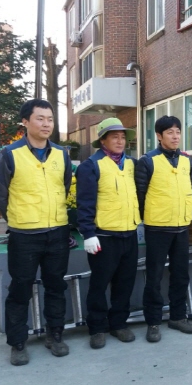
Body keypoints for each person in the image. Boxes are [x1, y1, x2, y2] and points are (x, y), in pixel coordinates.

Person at [0, 99, 72, 364]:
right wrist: (19, 216)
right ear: (25, 122)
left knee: (56, 286)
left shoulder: (61, 154)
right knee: (20, 288)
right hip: (24, 236)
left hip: (57, 232)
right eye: (40, 118)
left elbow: (64, 187)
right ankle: (17, 343)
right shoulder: (9, 154)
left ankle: (55, 335)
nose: (46, 124)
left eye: (50, 119)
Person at [76, 118, 140, 348]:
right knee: (99, 284)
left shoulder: (131, 164)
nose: (120, 141)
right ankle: (97, 328)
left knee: (125, 283)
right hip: (104, 236)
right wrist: (88, 233)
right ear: (102, 140)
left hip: (129, 233)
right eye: (114, 137)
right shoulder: (91, 166)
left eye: (123, 137)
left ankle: (119, 324)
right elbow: (84, 203)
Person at [135, 116, 192, 343]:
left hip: (181, 228)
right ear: (159, 136)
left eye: (178, 132)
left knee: (181, 275)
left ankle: (178, 317)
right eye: (170, 132)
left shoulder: (186, 161)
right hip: (157, 229)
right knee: (154, 277)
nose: (175, 136)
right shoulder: (147, 161)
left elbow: (190, 188)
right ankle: (153, 322)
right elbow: (140, 195)